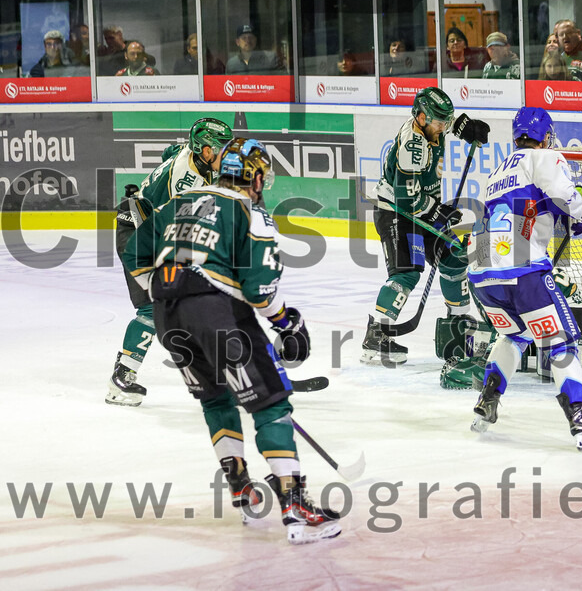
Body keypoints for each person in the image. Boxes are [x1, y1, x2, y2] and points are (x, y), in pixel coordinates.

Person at [121, 137, 341, 545]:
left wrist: (164, 287)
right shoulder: (248, 211)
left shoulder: (179, 201)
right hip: (217, 315)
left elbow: (135, 250)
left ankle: (240, 485)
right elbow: (260, 291)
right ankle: (294, 507)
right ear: (254, 177)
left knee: (216, 399)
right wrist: (287, 323)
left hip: (169, 318)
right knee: (271, 402)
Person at [466, 106, 582, 450]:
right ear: (545, 136)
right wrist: (580, 211)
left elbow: (526, 210)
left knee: (514, 335)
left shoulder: (498, 171)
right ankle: (579, 417)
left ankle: (487, 400)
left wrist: (563, 216)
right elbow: (564, 195)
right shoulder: (544, 156)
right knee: (561, 342)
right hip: (521, 268)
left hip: (482, 268)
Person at [106, 118, 234, 406]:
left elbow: (169, 152)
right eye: (220, 149)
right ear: (203, 150)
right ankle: (121, 378)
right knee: (154, 307)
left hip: (148, 226)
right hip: (138, 234)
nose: (226, 155)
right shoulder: (187, 182)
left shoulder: (194, 158)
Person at [361, 87, 491, 364]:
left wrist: (468, 127)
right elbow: (408, 201)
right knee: (407, 273)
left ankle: (456, 327)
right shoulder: (413, 146)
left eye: (446, 121)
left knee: (455, 255)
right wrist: (439, 211)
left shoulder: (433, 124)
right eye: (438, 122)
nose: (443, 127)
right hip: (398, 212)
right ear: (420, 117)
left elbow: (450, 122)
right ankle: (377, 335)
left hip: (423, 212)